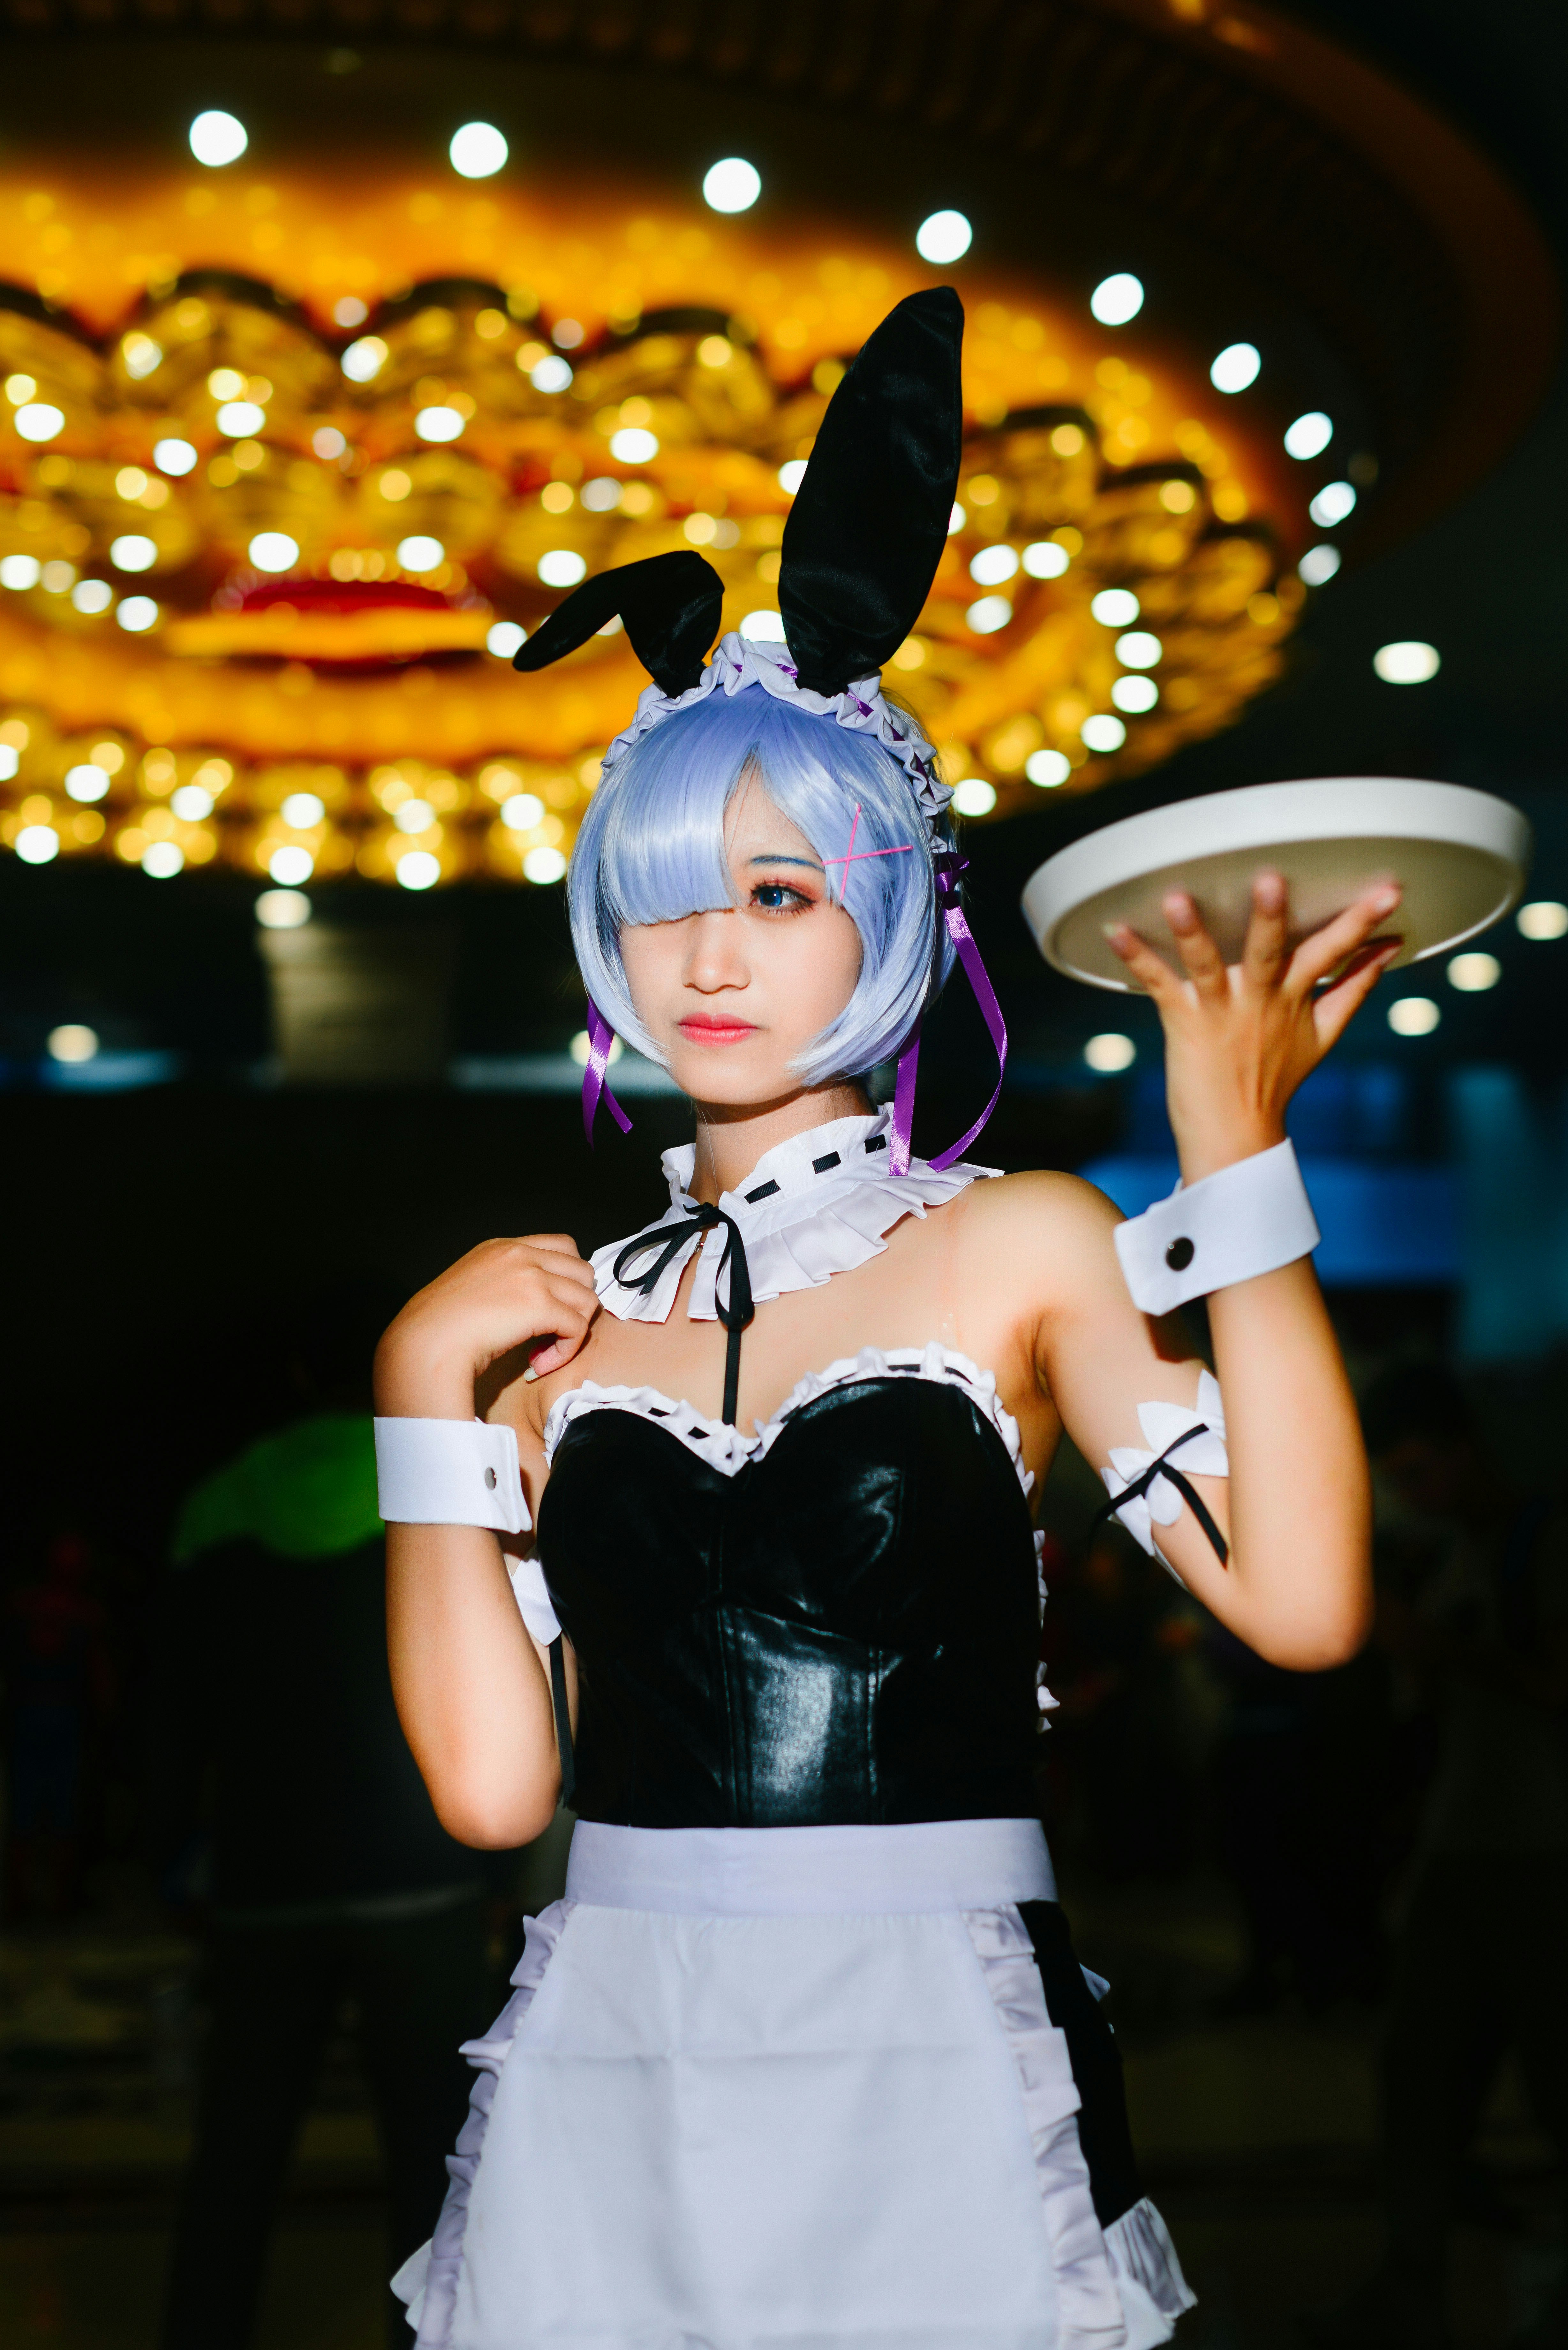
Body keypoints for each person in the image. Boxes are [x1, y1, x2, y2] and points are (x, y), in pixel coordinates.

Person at [374, 290, 1398, 2350]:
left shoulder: (1016, 1240)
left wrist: (1233, 1167)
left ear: (888, 908)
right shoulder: (548, 1332)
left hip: (936, 2063)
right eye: (664, 894)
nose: (706, 953)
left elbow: (1298, 1603)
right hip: (612, 2068)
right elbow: (497, 1799)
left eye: (774, 891)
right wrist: (416, 1389)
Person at [149, 1294, 512, 2350]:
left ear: (299, 1380)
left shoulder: (220, 1504)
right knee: (435, 2155)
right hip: (423, 1879)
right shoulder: (433, 1478)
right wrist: (502, 1879)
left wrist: (174, 1856)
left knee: (237, 2156)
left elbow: (172, 1706)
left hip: (266, 1883)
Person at [1312, 1363, 1568, 2350]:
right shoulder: (1457, 1551)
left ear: (1464, 1450)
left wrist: (1431, 1649)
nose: (1410, 1495)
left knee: (1548, 2083)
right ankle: (1409, 2283)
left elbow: (1554, 1685)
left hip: (1539, 1854)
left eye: (1419, 1471)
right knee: (1417, 2078)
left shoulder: (1541, 1543)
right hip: (1464, 1849)